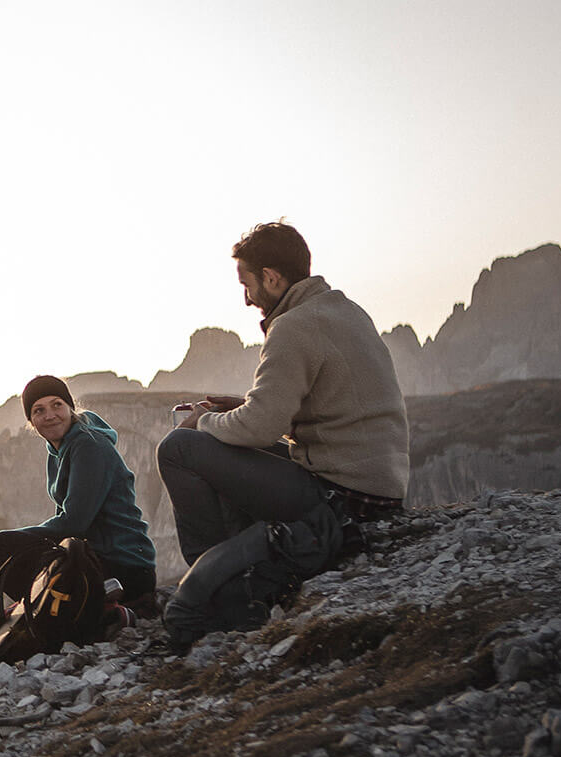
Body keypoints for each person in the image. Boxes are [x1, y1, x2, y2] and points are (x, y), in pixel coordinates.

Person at [158, 220, 409, 575]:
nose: (246, 299)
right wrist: (243, 408)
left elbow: (259, 429)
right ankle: (247, 560)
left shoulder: (294, 326)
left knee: (178, 448)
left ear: (272, 278)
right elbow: (333, 409)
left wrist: (204, 420)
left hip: (344, 500)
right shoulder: (345, 310)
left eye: (247, 284)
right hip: (379, 492)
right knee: (227, 442)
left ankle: (213, 576)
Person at [0, 375, 160, 619]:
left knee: (1, 547)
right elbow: (66, 521)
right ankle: (59, 614)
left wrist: (13, 538)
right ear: (31, 421)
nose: (50, 415)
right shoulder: (59, 449)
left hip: (124, 567)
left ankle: (92, 615)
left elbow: (74, 522)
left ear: (70, 407)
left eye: (57, 405)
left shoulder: (89, 446)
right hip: (95, 557)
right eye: (39, 410)